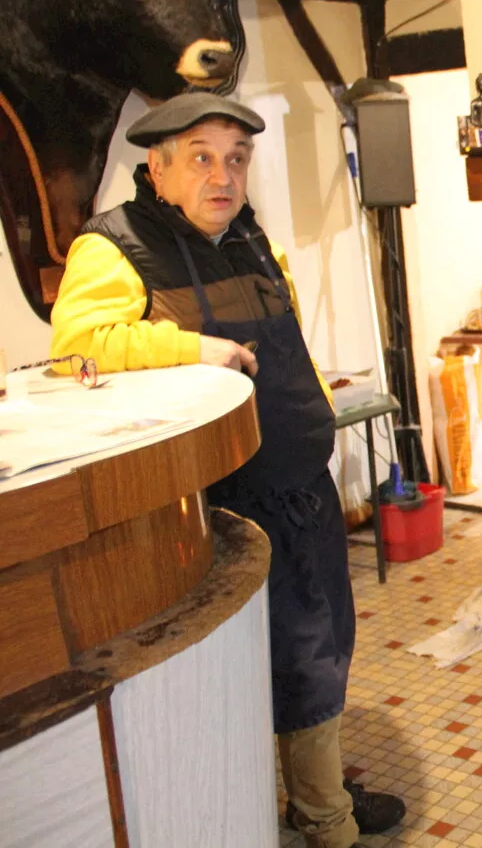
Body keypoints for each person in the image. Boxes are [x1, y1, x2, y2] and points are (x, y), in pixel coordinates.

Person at [48, 92, 405, 848]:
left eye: (237, 158)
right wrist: (189, 347)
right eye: (202, 157)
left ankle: (319, 793)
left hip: (299, 482)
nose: (224, 174)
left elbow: (287, 347)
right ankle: (324, 821)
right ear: (158, 167)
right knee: (288, 659)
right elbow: (74, 347)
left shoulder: (248, 237)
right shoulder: (112, 246)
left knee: (325, 645)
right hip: (226, 502)